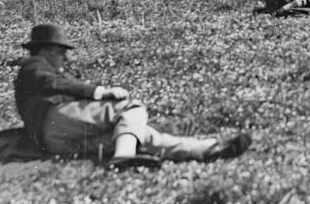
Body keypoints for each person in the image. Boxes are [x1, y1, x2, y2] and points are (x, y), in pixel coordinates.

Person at [13, 23, 251, 169]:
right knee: (130, 108)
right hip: (54, 121)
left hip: (55, 141)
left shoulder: (40, 68)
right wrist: (100, 92)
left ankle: (209, 150)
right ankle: (124, 157)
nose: (64, 57)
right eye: (61, 51)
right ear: (46, 50)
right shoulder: (34, 65)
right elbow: (52, 82)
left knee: (138, 136)